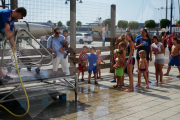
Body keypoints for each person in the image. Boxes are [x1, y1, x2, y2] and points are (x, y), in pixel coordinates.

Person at [0, 7, 27, 82]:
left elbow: (10, 32)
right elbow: (7, 30)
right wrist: (13, 44)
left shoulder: (12, 19)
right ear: (19, 14)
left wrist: (13, 44)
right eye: (21, 17)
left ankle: (1, 74)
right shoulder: (6, 13)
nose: (20, 18)